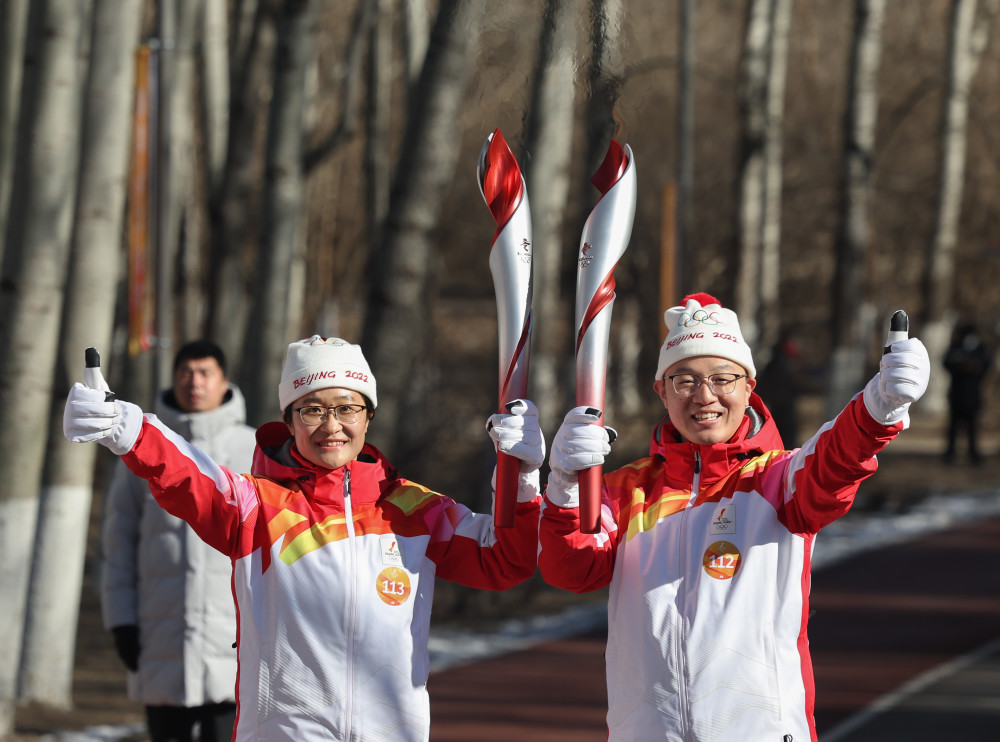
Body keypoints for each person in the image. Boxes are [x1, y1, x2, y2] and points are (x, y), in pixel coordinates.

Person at [66, 335, 543, 741]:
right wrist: (127, 429)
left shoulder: (415, 510)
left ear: (368, 415)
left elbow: (505, 561)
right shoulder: (259, 507)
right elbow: (191, 475)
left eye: (346, 408)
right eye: (312, 409)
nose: (331, 425)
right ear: (290, 420)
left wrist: (522, 479)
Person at [537, 293, 929, 741]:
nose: (705, 396)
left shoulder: (778, 480)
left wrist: (878, 409)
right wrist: (565, 486)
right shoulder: (624, 491)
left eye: (723, 378)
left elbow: (835, 460)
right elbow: (572, 570)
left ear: (748, 386)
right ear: (661, 391)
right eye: (684, 380)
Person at [100, 340, 255, 742]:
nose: (195, 382)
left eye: (205, 373)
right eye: (185, 373)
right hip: (160, 631)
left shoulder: (253, 448)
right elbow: (119, 541)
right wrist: (122, 620)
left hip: (236, 637)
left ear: (225, 382)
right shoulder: (141, 448)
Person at [943, 322, 992, 465]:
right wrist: (960, 367)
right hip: (956, 394)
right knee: (953, 427)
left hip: (973, 394)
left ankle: (974, 454)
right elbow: (946, 363)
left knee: (972, 427)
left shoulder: (981, 350)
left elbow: (987, 364)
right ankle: (950, 454)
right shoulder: (955, 348)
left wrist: (975, 368)